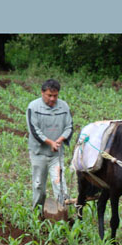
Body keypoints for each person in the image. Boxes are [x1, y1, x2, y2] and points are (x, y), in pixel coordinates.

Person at [26, 79, 73, 211]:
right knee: (39, 184)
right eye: (49, 95)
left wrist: (60, 140)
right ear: (42, 93)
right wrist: (50, 142)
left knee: (60, 183)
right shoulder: (33, 107)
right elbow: (34, 129)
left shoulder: (64, 107)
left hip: (56, 154)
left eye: (55, 96)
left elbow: (69, 126)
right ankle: (37, 212)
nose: (53, 99)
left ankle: (63, 213)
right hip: (39, 153)